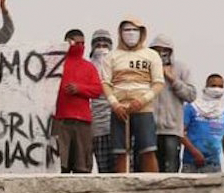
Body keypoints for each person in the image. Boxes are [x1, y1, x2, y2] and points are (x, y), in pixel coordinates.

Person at [100, 17, 165, 173]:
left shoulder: (151, 55)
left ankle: (152, 186)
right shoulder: (111, 57)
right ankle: (122, 187)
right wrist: (114, 104)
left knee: (148, 150)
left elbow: (158, 83)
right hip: (119, 108)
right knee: (120, 153)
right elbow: (105, 83)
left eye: (135, 30)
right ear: (120, 33)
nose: (130, 33)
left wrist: (142, 100)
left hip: (143, 107)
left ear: (141, 32)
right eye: (127, 30)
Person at [53, 30, 103, 174]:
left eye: (83, 43)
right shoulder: (57, 65)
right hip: (61, 120)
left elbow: (97, 90)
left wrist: (79, 88)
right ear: (67, 42)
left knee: (82, 165)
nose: (80, 46)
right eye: (76, 42)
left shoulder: (89, 67)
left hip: (83, 121)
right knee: (60, 164)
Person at [149, 34, 197, 173]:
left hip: (172, 130)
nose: (161, 53)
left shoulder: (181, 68)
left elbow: (191, 95)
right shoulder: (146, 70)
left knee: (171, 170)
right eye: (156, 50)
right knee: (151, 172)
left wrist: (173, 80)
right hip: (150, 130)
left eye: (164, 50)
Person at [182, 74, 224, 176]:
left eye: (220, 86)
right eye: (213, 86)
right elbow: (180, 133)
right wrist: (195, 152)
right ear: (206, 87)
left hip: (213, 165)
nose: (217, 89)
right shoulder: (192, 108)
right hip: (191, 164)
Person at [87, 30, 115, 173]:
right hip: (97, 128)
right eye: (98, 43)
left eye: (105, 43)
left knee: (122, 171)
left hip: (118, 126)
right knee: (104, 171)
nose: (101, 46)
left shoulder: (117, 65)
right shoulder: (87, 67)